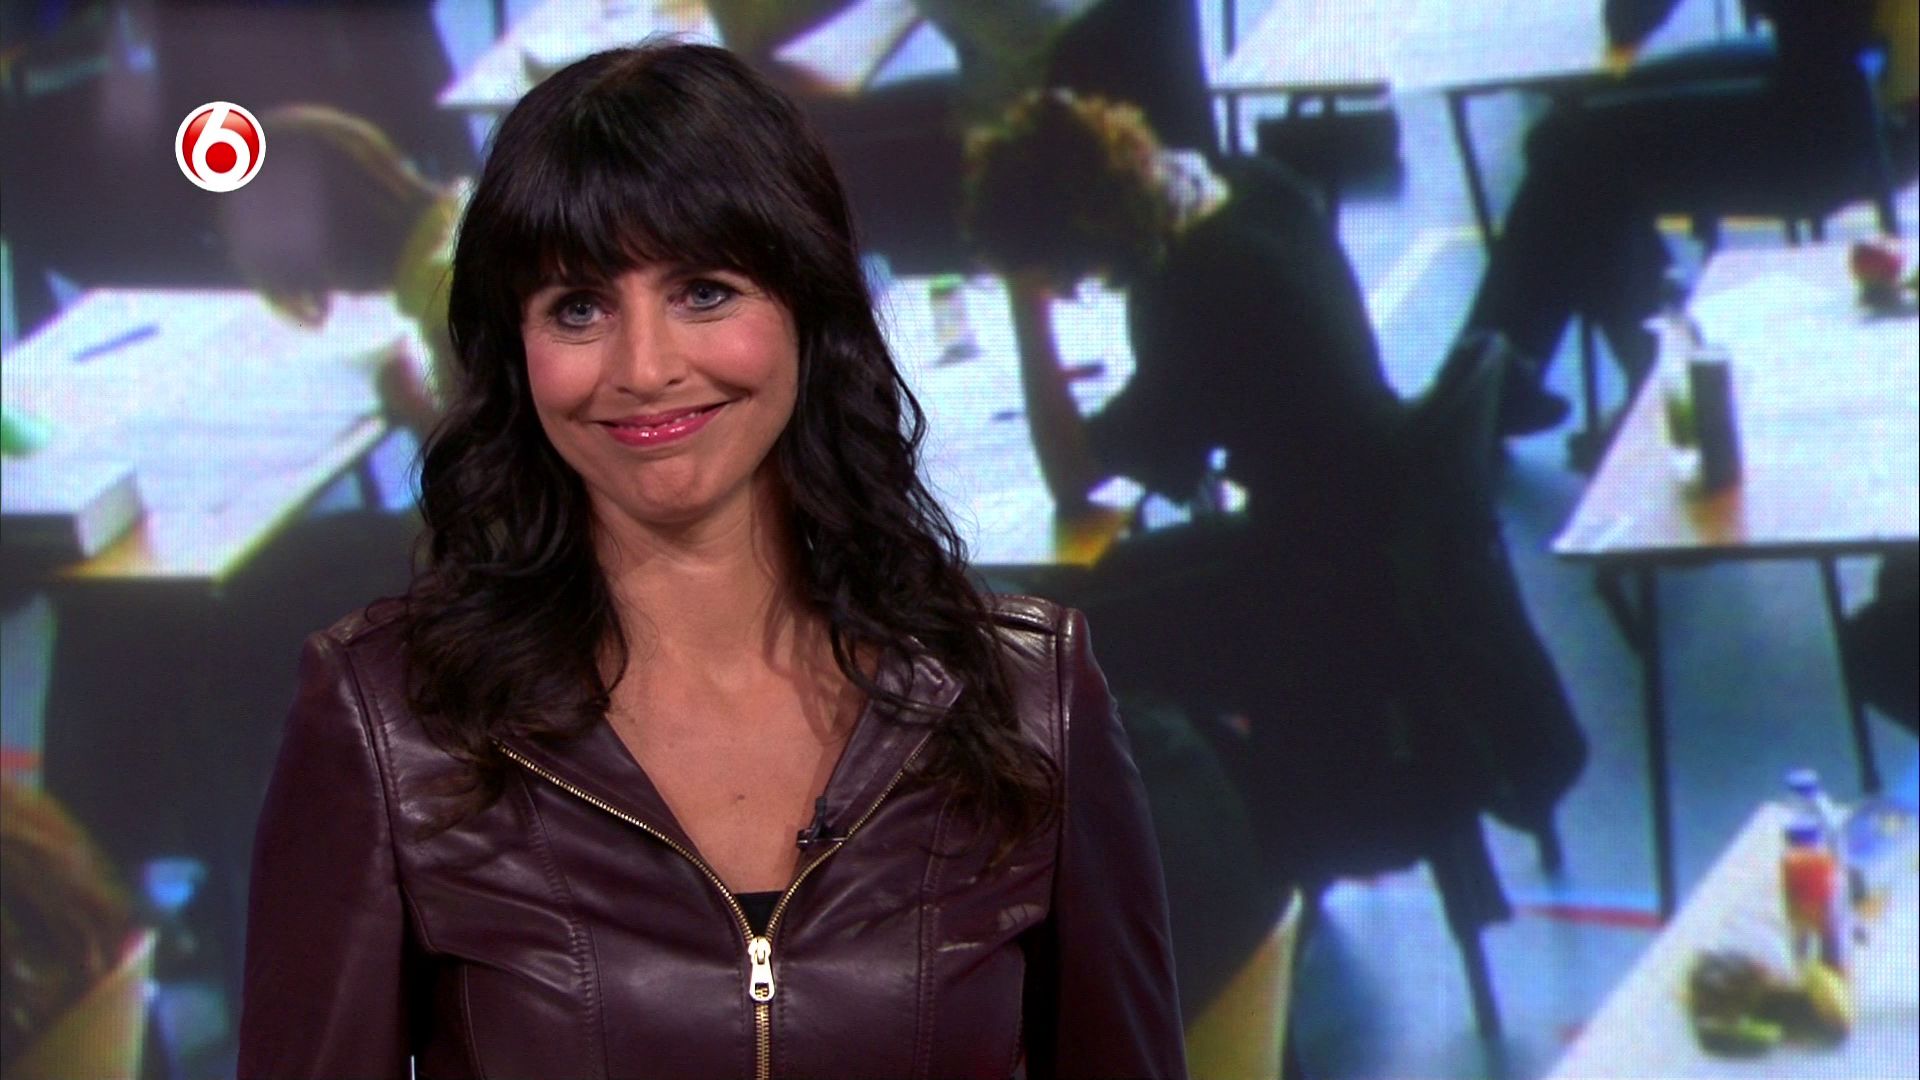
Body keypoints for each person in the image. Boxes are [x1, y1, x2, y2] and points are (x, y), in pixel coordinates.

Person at [237, 42, 1185, 1078]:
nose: (645, 367)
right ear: (514, 351)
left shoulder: (1027, 699)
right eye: (578, 308)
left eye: (703, 292)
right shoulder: (390, 725)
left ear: (809, 309)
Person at [963, 91, 1585, 892]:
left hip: (1319, 587)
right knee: (1082, 599)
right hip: (1374, 524)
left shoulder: (1192, 291)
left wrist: (1027, 311)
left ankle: (1219, 842)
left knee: (1051, 642)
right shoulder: (1250, 184)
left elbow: (1072, 473)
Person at [1463, 0, 1915, 436]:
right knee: (1578, 142)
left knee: (1573, 148)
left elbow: (1630, 16)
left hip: (1836, 129)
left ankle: (1648, 386)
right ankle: (1523, 381)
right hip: (1862, 80)